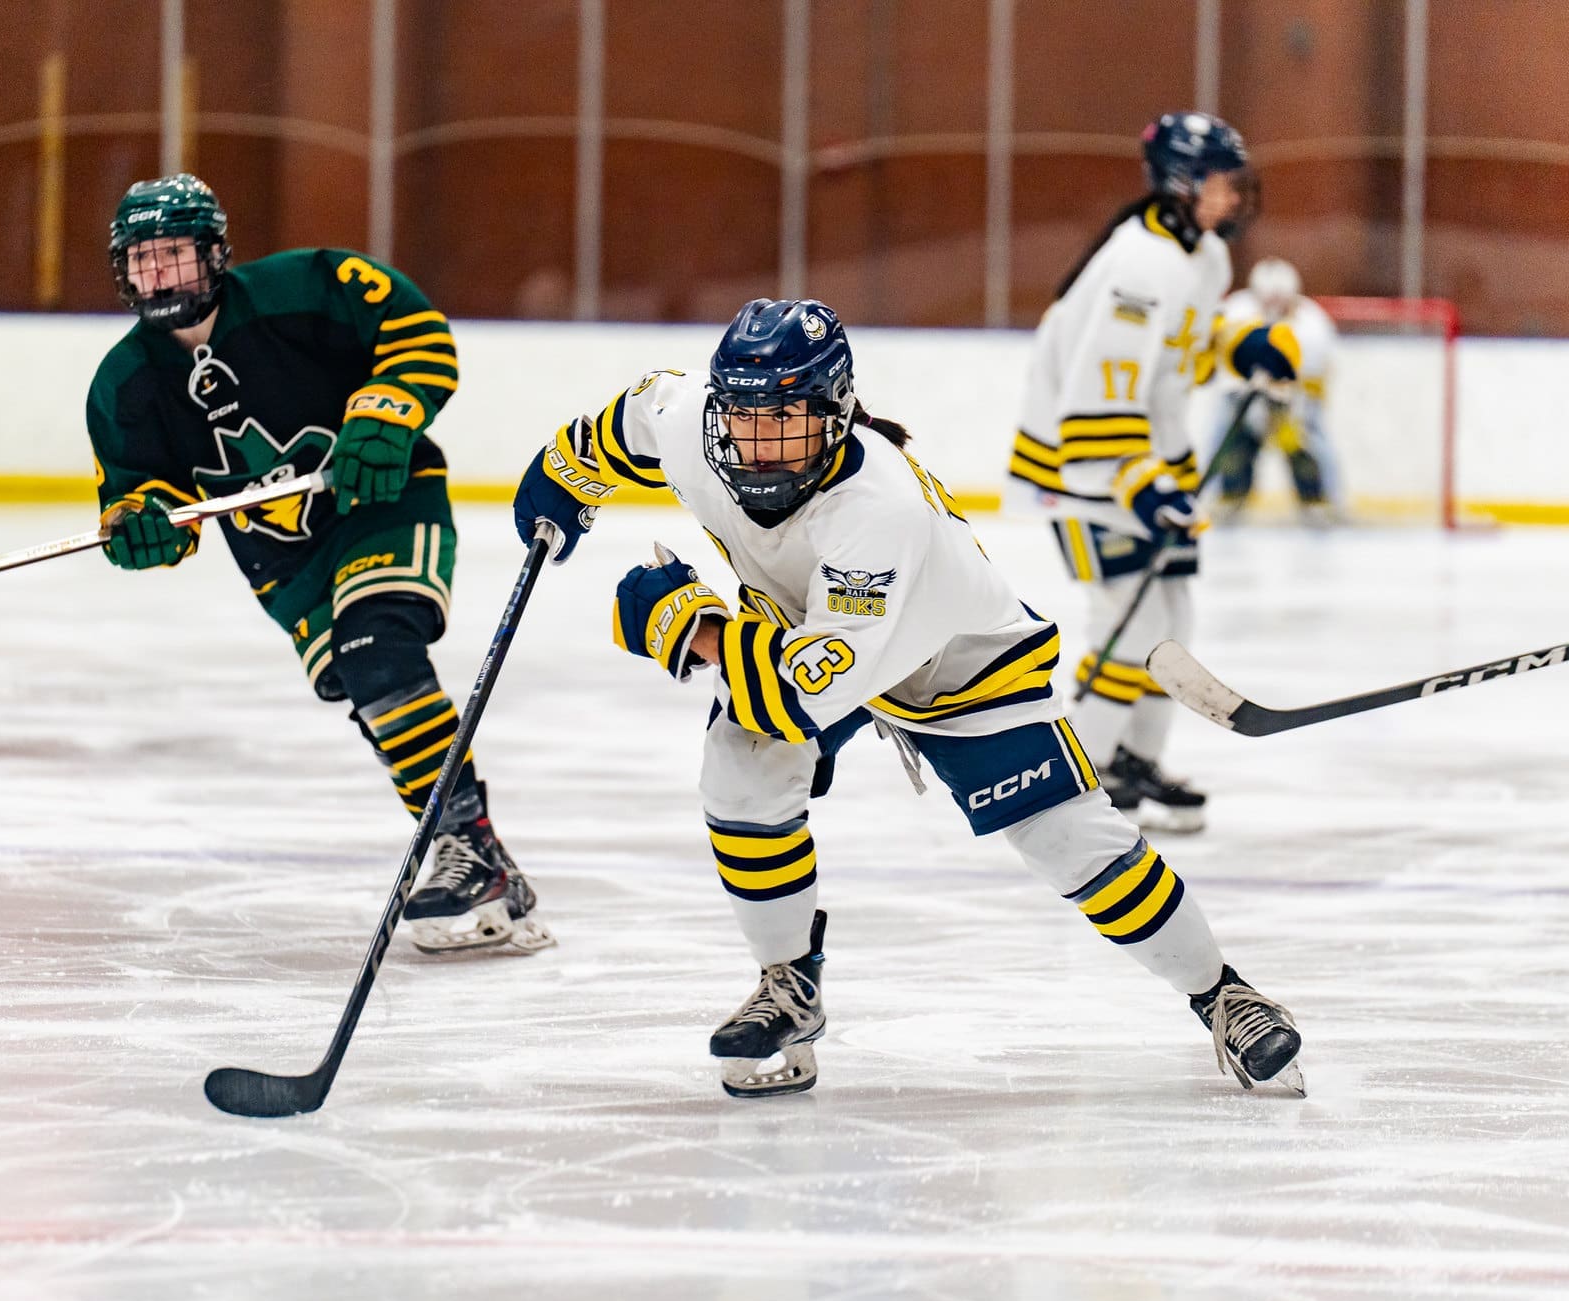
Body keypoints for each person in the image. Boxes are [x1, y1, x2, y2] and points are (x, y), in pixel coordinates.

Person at [511, 297, 1303, 1099]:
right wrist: (561, 476)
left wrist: (695, 628)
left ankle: (1225, 994)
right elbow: (626, 423)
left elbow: (790, 698)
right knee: (740, 776)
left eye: (786, 414)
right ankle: (789, 983)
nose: (759, 438)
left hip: (958, 666)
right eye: (744, 415)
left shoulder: (878, 517)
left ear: (837, 412)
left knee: (1069, 838)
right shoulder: (692, 422)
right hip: (809, 630)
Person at [85, 174, 550, 954]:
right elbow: (141, 493)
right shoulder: (123, 383)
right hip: (281, 558)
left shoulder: (305, 288)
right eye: (143, 261)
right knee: (372, 693)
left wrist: (388, 407)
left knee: (379, 650)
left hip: (382, 501)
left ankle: (464, 843)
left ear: (214, 253)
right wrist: (144, 526)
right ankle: (490, 862)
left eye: (174, 255)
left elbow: (416, 331)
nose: (159, 275)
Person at [1006, 112, 1300, 834]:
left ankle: (1134, 762)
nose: (1236, 199)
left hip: (1145, 462)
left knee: (1171, 617)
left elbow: (1180, 355)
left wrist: (1243, 348)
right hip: (1085, 469)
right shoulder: (1141, 263)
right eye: (1224, 185)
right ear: (1185, 183)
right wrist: (1138, 480)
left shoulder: (1199, 257)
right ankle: (1083, 775)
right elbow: (1095, 394)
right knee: (1127, 618)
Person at [1207, 258, 1342, 524]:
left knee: (1310, 440)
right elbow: (1218, 364)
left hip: (1294, 398)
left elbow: (1318, 376)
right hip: (1243, 392)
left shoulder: (1313, 324)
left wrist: (1290, 409)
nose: (1274, 308)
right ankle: (1224, 495)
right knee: (1226, 436)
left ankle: (1324, 499)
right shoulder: (1235, 311)